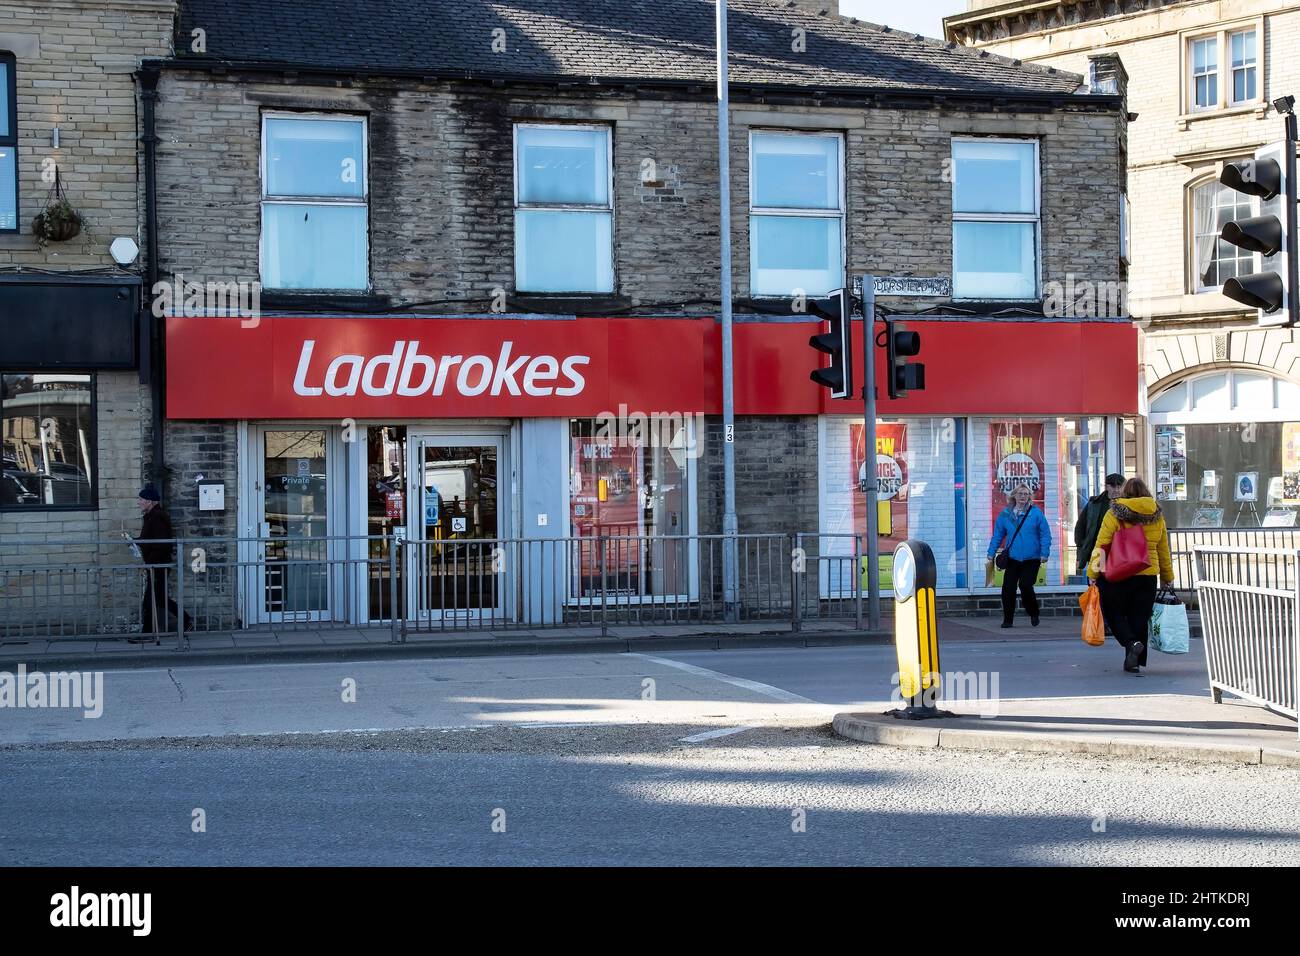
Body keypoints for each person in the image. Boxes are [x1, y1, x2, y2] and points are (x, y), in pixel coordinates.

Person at [1087, 477, 1174, 673]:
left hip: (1119, 573)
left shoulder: (1114, 513)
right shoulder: (1157, 515)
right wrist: (1167, 576)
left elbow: (1102, 545)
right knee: (1139, 618)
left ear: (1125, 492)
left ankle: (1131, 642)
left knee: (1113, 611)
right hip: (1147, 575)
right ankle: (1133, 661)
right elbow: (1163, 549)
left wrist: (1093, 572)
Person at [987, 483, 1051, 628]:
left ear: (1029, 497)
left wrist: (1044, 553)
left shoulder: (1036, 513)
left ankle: (1033, 612)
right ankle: (1008, 619)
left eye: (1026, 494)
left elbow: (1045, 534)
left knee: (1025, 585)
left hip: (1032, 558)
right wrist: (991, 552)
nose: (1023, 496)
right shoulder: (1005, 514)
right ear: (1014, 496)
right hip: (1013, 558)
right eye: (1020, 494)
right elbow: (998, 535)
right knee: (1008, 588)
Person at [133, 484, 186, 643]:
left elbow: (161, 544)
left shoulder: (157, 517)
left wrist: (149, 563)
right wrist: (134, 542)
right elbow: (150, 541)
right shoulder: (152, 516)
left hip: (158, 566)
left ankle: (148, 634)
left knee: (150, 600)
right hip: (156, 565)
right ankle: (187, 621)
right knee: (160, 598)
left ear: (149, 501)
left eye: (141, 499)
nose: (138, 502)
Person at [1075, 472, 1126, 634]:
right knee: (1100, 589)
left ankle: (1116, 622)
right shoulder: (1095, 503)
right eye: (1114, 486)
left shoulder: (1129, 504)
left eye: (1120, 486)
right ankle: (1104, 623)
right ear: (1107, 487)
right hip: (1099, 552)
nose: (1117, 490)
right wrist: (1083, 546)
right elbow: (1080, 527)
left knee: (1117, 591)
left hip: (1120, 555)